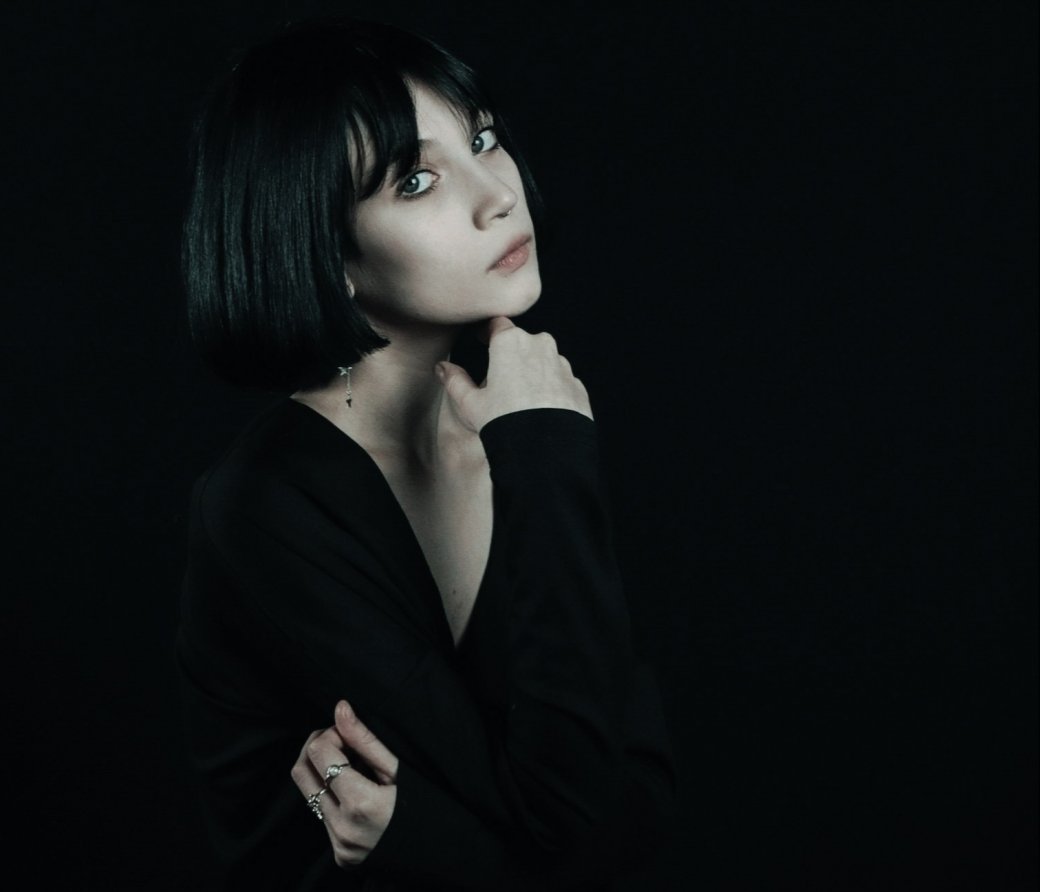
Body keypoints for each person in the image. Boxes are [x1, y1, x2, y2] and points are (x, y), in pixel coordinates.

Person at [177, 17, 675, 890]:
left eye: (482, 139)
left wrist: (412, 835)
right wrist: (548, 459)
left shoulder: (528, 420)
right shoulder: (268, 507)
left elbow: (631, 820)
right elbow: (565, 820)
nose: (497, 195)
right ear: (326, 253)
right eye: (416, 181)